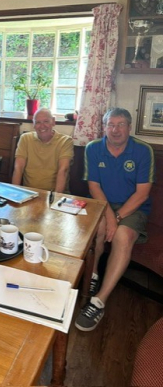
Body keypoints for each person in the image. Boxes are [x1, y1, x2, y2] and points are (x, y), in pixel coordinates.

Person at [75, 108, 155, 332]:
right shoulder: (93, 148)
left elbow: (142, 194)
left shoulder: (143, 150)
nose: (115, 130)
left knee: (122, 235)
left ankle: (99, 301)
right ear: (104, 127)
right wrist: (110, 216)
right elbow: (94, 187)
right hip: (103, 203)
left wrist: (117, 218)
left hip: (133, 207)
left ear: (129, 127)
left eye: (121, 125)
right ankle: (94, 273)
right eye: (111, 125)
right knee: (98, 229)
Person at [11, 108, 74, 192]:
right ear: (33, 125)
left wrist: (55, 198)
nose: (42, 126)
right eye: (38, 122)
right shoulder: (25, 138)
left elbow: (63, 170)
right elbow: (18, 167)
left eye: (46, 121)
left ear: (53, 122)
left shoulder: (65, 141)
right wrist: (14, 193)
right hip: (29, 193)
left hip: (55, 194)